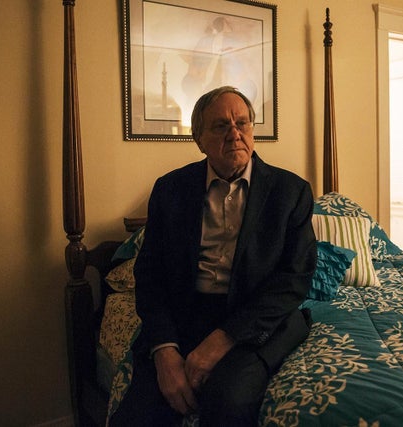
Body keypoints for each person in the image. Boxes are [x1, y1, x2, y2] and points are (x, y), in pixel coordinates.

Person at [110, 86, 316, 426]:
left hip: (257, 321)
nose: (234, 134)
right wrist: (164, 350)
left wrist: (223, 339)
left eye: (243, 123)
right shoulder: (170, 190)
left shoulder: (290, 192)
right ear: (199, 139)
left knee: (228, 401)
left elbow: (294, 279)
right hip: (184, 317)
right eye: (220, 126)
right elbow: (150, 275)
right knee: (137, 414)